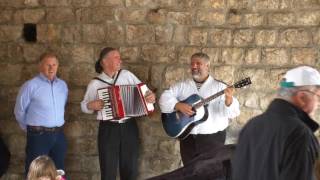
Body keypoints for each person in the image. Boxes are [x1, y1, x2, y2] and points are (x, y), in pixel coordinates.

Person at [232, 66, 320, 180]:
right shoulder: (300, 134)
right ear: (302, 97)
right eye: (318, 96)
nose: (318, 103)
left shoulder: (252, 125)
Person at [81, 47, 156, 180]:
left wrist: (151, 96)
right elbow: (84, 105)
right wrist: (90, 105)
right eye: (116, 57)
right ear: (104, 61)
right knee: (108, 169)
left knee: (130, 168)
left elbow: (145, 92)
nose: (120, 60)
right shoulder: (95, 83)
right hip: (108, 128)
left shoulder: (126, 75)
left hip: (129, 126)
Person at [159, 52, 240, 165]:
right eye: (192, 64)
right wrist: (178, 105)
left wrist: (229, 99)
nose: (194, 66)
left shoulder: (220, 87)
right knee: (189, 171)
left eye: (198, 63)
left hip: (212, 140)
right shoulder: (182, 85)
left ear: (207, 66)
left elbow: (233, 113)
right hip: (188, 138)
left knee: (211, 173)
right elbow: (164, 97)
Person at [14, 52, 68, 176]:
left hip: (59, 135)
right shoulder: (30, 86)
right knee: (35, 172)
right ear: (40, 66)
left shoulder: (63, 86)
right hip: (38, 136)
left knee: (59, 172)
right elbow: (19, 111)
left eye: (54, 64)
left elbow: (62, 107)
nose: (51, 68)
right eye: (48, 65)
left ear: (58, 66)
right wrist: (30, 129)